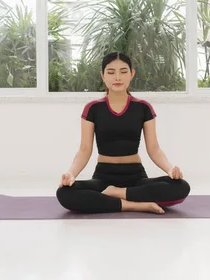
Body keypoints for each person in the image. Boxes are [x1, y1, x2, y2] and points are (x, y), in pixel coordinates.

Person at [56, 52, 190, 214]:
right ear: (103, 76)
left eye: (123, 72)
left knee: (181, 186)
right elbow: (85, 149)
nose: (117, 77)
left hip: (135, 176)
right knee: (64, 193)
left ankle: (117, 195)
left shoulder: (143, 108)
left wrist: (170, 170)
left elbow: (154, 148)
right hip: (103, 177)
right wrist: (71, 174)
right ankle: (136, 204)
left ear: (132, 74)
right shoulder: (93, 109)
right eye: (111, 72)